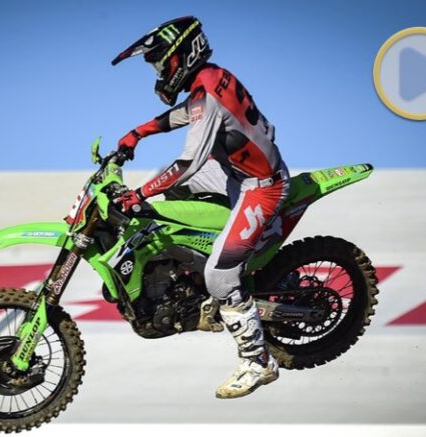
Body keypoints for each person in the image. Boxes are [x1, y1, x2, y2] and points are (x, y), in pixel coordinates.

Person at [111, 16, 290, 399]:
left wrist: (139, 194)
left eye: (161, 64)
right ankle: (194, 271)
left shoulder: (206, 93)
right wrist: (138, 133)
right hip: (234, 172)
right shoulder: (210, 78)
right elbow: (187, 114)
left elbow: (188, 163)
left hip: (260, 186)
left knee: (220, 275)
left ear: (182, 55)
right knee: (172, 193)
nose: (160, 73)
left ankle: (258, 361)